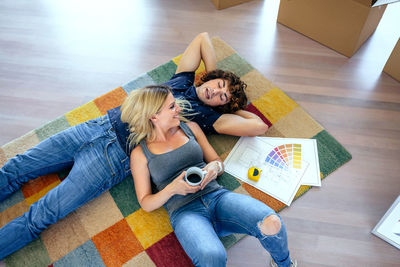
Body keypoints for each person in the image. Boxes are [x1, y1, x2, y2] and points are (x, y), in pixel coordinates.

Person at [0, 32, 268, 260]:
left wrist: (236, 107)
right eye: (219, 85)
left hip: (113, 157)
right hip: (95, 126)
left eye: (223, 97)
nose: (217, 93)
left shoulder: (210, 118)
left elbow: (259, 126)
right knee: (18, 166)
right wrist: (214, 74)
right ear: (207, 77)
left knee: (41, 214)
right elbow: (202, 39)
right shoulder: (183, 80)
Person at [124, 85, 296, 267]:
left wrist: (214, 168)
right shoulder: (140, 153)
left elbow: (217, 162)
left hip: (217, 197)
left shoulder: (190, 128)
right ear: (153, 116)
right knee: (212, 256)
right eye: (172, 106)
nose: (179, 109)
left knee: (272, 223)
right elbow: (146, 202)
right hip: (185, 212)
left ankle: (284, 264)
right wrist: (171, 189)